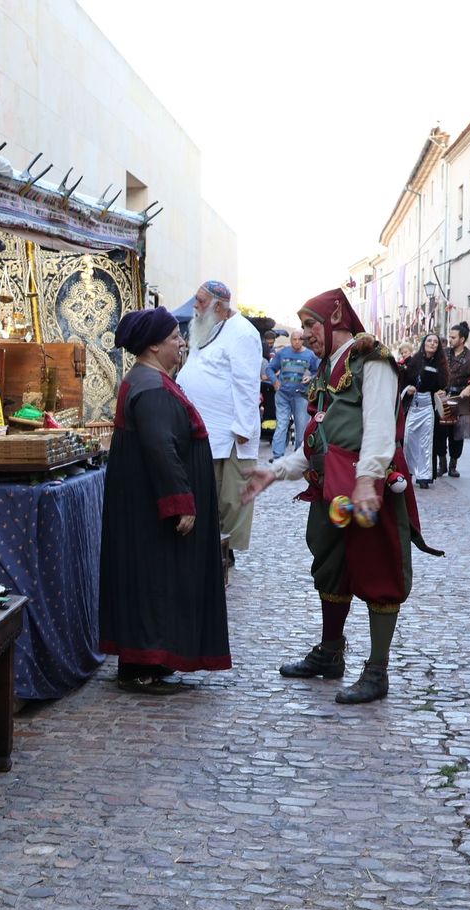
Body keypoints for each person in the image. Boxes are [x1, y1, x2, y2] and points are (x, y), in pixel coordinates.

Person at [242, 289, 443, 704]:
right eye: (303, 326)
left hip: (367, 487)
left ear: (335, 320)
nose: (305, 334)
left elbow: (381, 427)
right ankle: (330, 653)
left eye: (311, 325)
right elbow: (319, 437)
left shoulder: (372, 360)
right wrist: (275, 472)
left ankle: (377, 671)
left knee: (379, 571)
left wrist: (368, 479)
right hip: (330, 487)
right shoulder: (326, 368)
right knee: (330, 567)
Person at [99, 307, 231, 694]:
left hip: (145, 505)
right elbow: (160, 447)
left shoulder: (151, 380)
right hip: (150, 510)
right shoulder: (151, 387)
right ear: (154, 346)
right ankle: (143, 667)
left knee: (153, 579)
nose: (182, 343)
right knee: (152, 581)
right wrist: (180, 502)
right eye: (175, 337)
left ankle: (149, 663)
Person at [175, 280, 261, 560]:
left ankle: (224, 555)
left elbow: (247, 383)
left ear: (220, 306)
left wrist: (244, 427)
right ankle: (210, 549)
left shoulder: (243, 333)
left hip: (229, 433)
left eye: (201, 301)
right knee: (207, 493)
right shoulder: (208, 325)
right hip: (205, 429)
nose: (195, 306)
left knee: (228, 498)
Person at [268, 329, 321, 460]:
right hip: (283, 394)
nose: (297, 342)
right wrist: (274, 381)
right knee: (282, 424)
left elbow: (318, 371)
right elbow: (270, 368)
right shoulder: (282, 353)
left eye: (299, 339)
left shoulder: (310, 355)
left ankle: (298, 456)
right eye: (294, 339)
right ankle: (277, 456)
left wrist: (311, 378)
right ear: (290, 340)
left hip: (301, 395)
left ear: (303, 341)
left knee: (301, 427)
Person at [404, 332, 446, 488]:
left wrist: (441, 391)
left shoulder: (440, 365)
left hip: (428, 406)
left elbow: (443, 384)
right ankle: (408, 470)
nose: (432, 343)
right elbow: (404, 380)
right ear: (424, 343)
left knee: (425, 442)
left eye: (435, 341)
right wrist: (408, 389)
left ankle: (424, 476)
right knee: (408, 439)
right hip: (413, 406)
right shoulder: (414, 361)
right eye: (429, 341)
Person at [440, 322, 470, 477]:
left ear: (462, 339)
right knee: (441, 432)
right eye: (450, 337)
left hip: (461, 398)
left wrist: (469, 388)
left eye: (453, 337)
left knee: (458, 434)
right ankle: (442, 464)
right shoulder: (443, 352)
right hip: (443, 397)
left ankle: (453, 465)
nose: (450, 339)